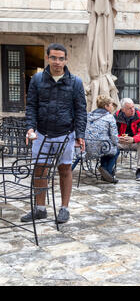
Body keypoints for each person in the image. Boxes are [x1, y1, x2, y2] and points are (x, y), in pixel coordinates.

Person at [23, 43, 87, 224]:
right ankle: (40, 209)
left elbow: (81, 110)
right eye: (53, 58)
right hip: (42, 132)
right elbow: (31, 107)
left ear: (66, 60)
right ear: (48, 58)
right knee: (39, 170)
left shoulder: (75, 82)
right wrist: (30, 127)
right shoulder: (36, 80)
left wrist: (80, 134)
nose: (57, 62)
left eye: (61, 58)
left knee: (65, 169)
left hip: (66, 132)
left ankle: (64, 208)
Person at [114, 98, 140, 181]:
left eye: (133, 107)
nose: (133, 110)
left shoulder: (139, 115)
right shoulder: (117, 116)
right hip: (122, 142)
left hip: (135, 142)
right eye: (129, 108)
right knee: (111, 143)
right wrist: (118, 138)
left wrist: (133, 139)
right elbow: (112, 132)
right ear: (123, 109)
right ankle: (110, 169)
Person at [85, 95, 120, 184]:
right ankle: (106, 171)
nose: (112, 107)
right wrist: (117, 143)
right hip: (103, 147)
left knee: (106, 148)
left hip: (88, 148)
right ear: (106, 106)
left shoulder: (89, 115)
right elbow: (114, 136)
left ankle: (105, 175)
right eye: (111, 105)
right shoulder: (110, 117)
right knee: (115, 149)